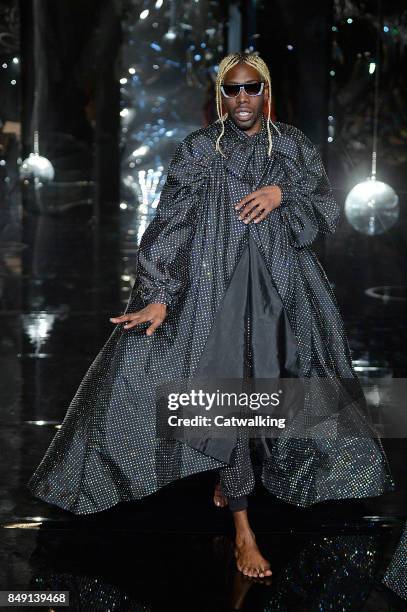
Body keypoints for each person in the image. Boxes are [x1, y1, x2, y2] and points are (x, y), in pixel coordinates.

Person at [27, 52, 395, 579]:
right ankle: (244, 530)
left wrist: (283, 193)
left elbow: (325, 211)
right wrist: (158, 293)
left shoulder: (291, 145)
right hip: (213, 290)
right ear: (219, 95)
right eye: (232, 90)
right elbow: (170, 222)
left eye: (251, 89)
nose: (242, 99)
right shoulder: (201, 150)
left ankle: (235, 472)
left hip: (284, 292)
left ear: (266, 91)